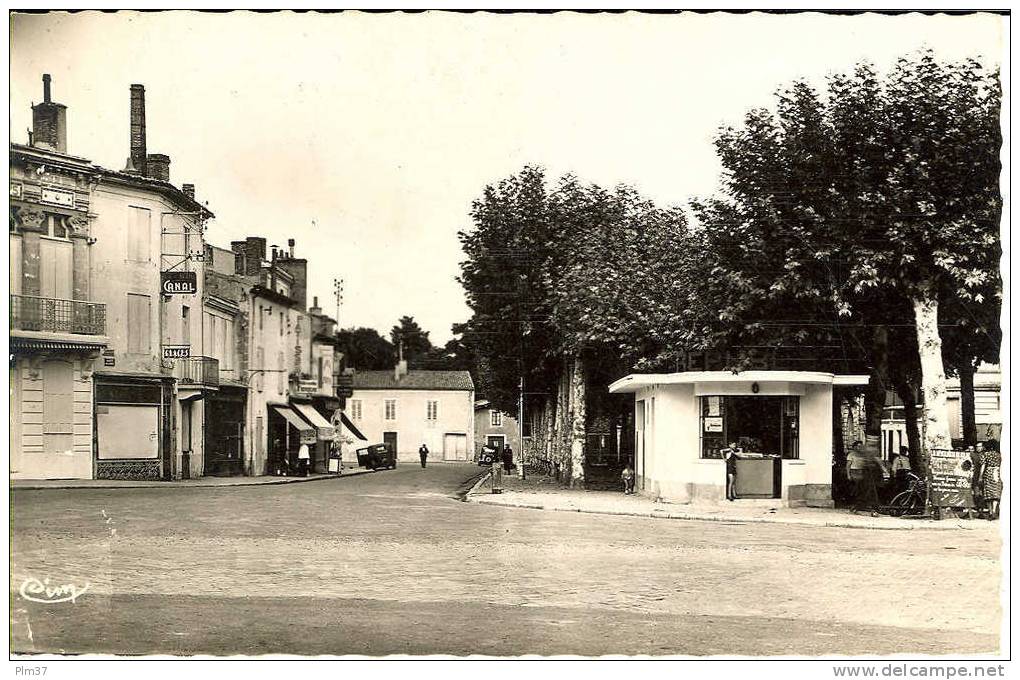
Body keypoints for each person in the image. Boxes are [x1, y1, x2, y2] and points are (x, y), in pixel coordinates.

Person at [976, 439, 1001, 520]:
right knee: (995, 493)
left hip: (988, 474)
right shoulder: (998, 455)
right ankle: (994, 510)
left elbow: (983, 466)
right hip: (997, 473)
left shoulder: (985, 455)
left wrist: (980, 476)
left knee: (988, 494)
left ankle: (990, 512)